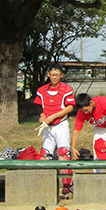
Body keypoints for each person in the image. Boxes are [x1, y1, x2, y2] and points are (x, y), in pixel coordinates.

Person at [34, 65, 75, 196]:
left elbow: (70, 107)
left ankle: (67, 186)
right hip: (48, 127)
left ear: (61, 75)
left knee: (64, 153)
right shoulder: (41, 91)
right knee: (44, 154)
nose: (54, 77)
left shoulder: (67, 90)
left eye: (57, 75)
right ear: (48, 75)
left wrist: (55, 116)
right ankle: (45, 186)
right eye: (52, 75)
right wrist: (42, 117)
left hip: (61, 125)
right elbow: (39, 107)